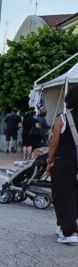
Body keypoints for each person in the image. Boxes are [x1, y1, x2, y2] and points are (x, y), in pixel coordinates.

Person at [47, 85, 78, 245]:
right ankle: (69, 225)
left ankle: (70, 231)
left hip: (65, 162)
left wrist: (50, 161)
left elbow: (54, 143)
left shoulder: (63, 119)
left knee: (64, 196)